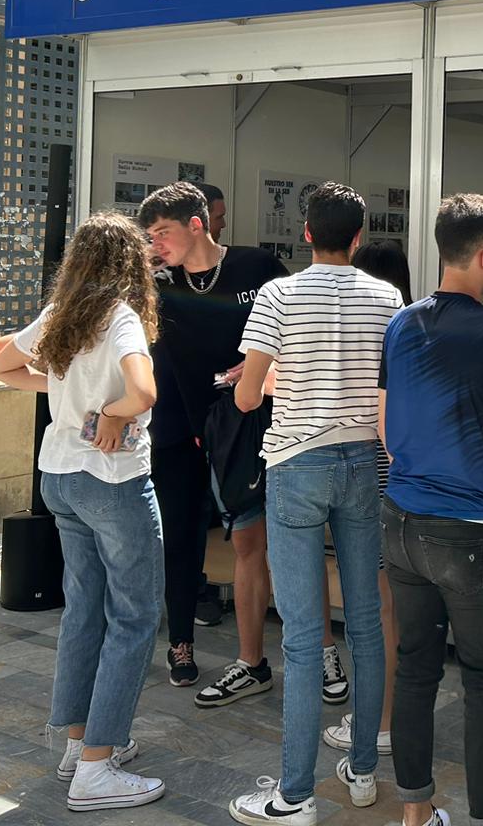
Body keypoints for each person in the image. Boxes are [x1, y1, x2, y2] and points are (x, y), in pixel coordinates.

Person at [227, 184, 402, 825]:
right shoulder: (387, 297)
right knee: (365, 625)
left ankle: (294, 795)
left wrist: (269, 381)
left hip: (296, 464)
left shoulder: (278, 294)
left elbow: (248, 397)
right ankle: (361, 772)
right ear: (358, 237)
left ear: (305, 233)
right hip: (364, 462)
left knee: (303, 639)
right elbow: (386, 384)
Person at [0, 212, 165, 811]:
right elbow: (143, 392)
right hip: (110, 480)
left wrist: (69, 395)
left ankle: (77, 745)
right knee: (136, 617)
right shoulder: (121, 316)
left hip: (60, 478)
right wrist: (109, 415)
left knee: (84, 609)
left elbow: (3, 368)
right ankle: (97, 766)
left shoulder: (62, 313)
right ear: (132, 263)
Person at [379, 193, 483, 826]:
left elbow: (388, 430)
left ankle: (415, 816)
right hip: (471, 530)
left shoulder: (402, 323)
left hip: (403, 524)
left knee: (416, 671)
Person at [137, 182, 286, 690]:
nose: (156, 243)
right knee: (179, 538)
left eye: (163, 232)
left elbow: (293, 328)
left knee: (251, 539)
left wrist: (259, 365)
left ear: (195, 225)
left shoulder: (256, 267)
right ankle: (180, 642)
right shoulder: (156, 283)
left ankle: (260, 652)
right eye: (150, 235)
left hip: (245, 428)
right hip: (177, 430)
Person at [318, 239, 413, 760]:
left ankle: (381, 721)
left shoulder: (371, 328)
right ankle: (388, 713)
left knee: (380, 606)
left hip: (373, 471)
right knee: (391, 602)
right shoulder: (409, 326)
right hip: (404, 478)